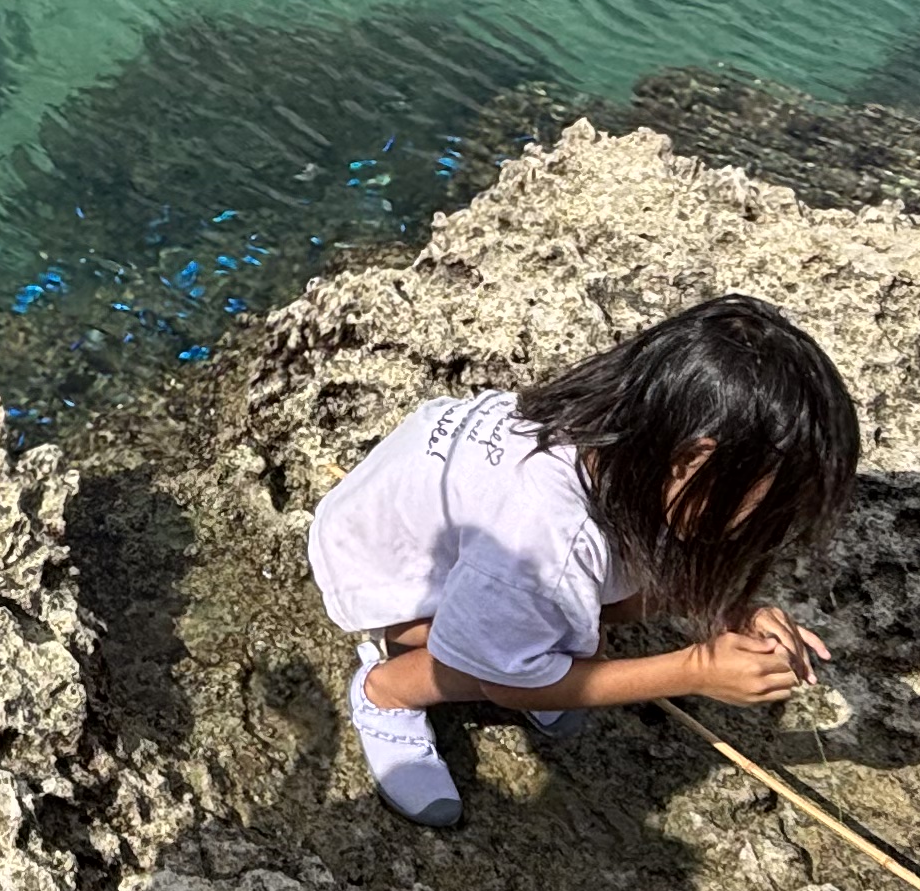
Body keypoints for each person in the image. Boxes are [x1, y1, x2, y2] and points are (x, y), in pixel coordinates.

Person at [314, 296, 862, 829]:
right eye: (769, 506)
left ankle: (527, 643)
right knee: (523, 657)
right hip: (383, 577)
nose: (772, 526)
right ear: (692, 459)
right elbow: (511, 687)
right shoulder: (545, 535)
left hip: (419, 534)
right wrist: (696, 670)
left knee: (575, 626)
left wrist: (731, 610)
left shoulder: (615, 433)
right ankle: (385, 693)